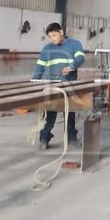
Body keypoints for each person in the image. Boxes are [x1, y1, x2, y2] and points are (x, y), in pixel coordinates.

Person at [32, 22, 85, 150]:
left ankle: (71, 139)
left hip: (68, 84)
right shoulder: (47, 48)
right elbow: (40, 66)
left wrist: (71, 67)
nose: (52, 39)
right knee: (49, 114)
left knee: (69, 113)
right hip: (50, 85)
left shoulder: (74, 44)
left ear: (61, 32)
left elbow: (80, 58)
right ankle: (44, 139)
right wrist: (35, 81)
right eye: (50, 36)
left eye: (54, 35)